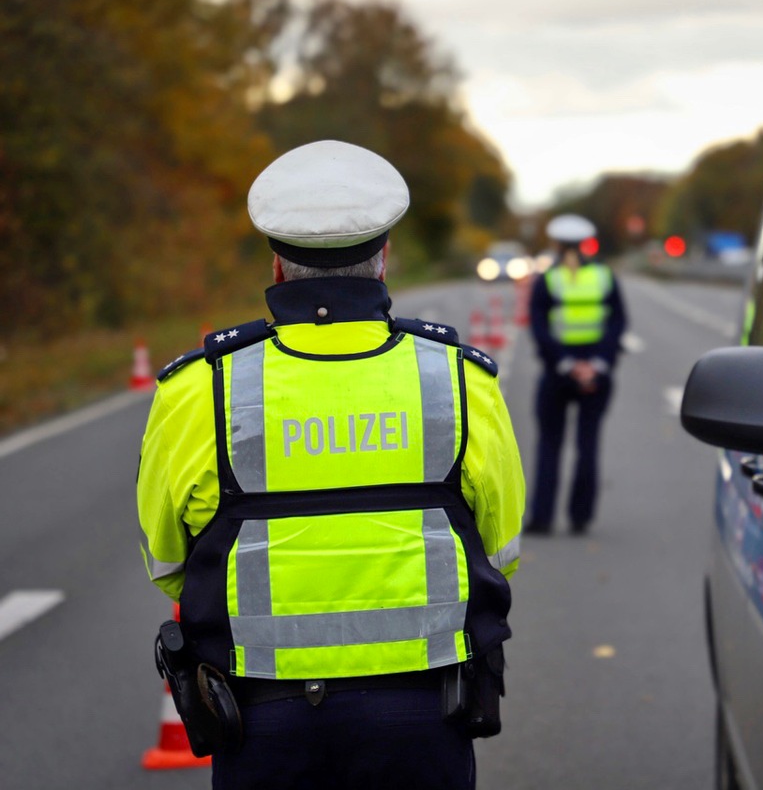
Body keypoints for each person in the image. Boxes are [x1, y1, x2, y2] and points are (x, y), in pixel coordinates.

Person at [136, 140, 523, 789]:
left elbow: (168, 562)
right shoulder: (457, 381)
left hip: (261, 720)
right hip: (424, 715)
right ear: (385, 255)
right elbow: (501, 548)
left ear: (277, 264)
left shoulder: (200, 387)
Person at [525, 214, 627, 535]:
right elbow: (617, 323)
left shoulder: (548, 280)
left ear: (555, 244)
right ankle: (580, 518)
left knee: (549, 445)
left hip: (558, 373)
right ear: (586, 243)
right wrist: (596, 364)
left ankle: (542, 519)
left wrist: (567, 365)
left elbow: (539, 328)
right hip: (597, 374)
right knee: (588, 443)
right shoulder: (604, 277)